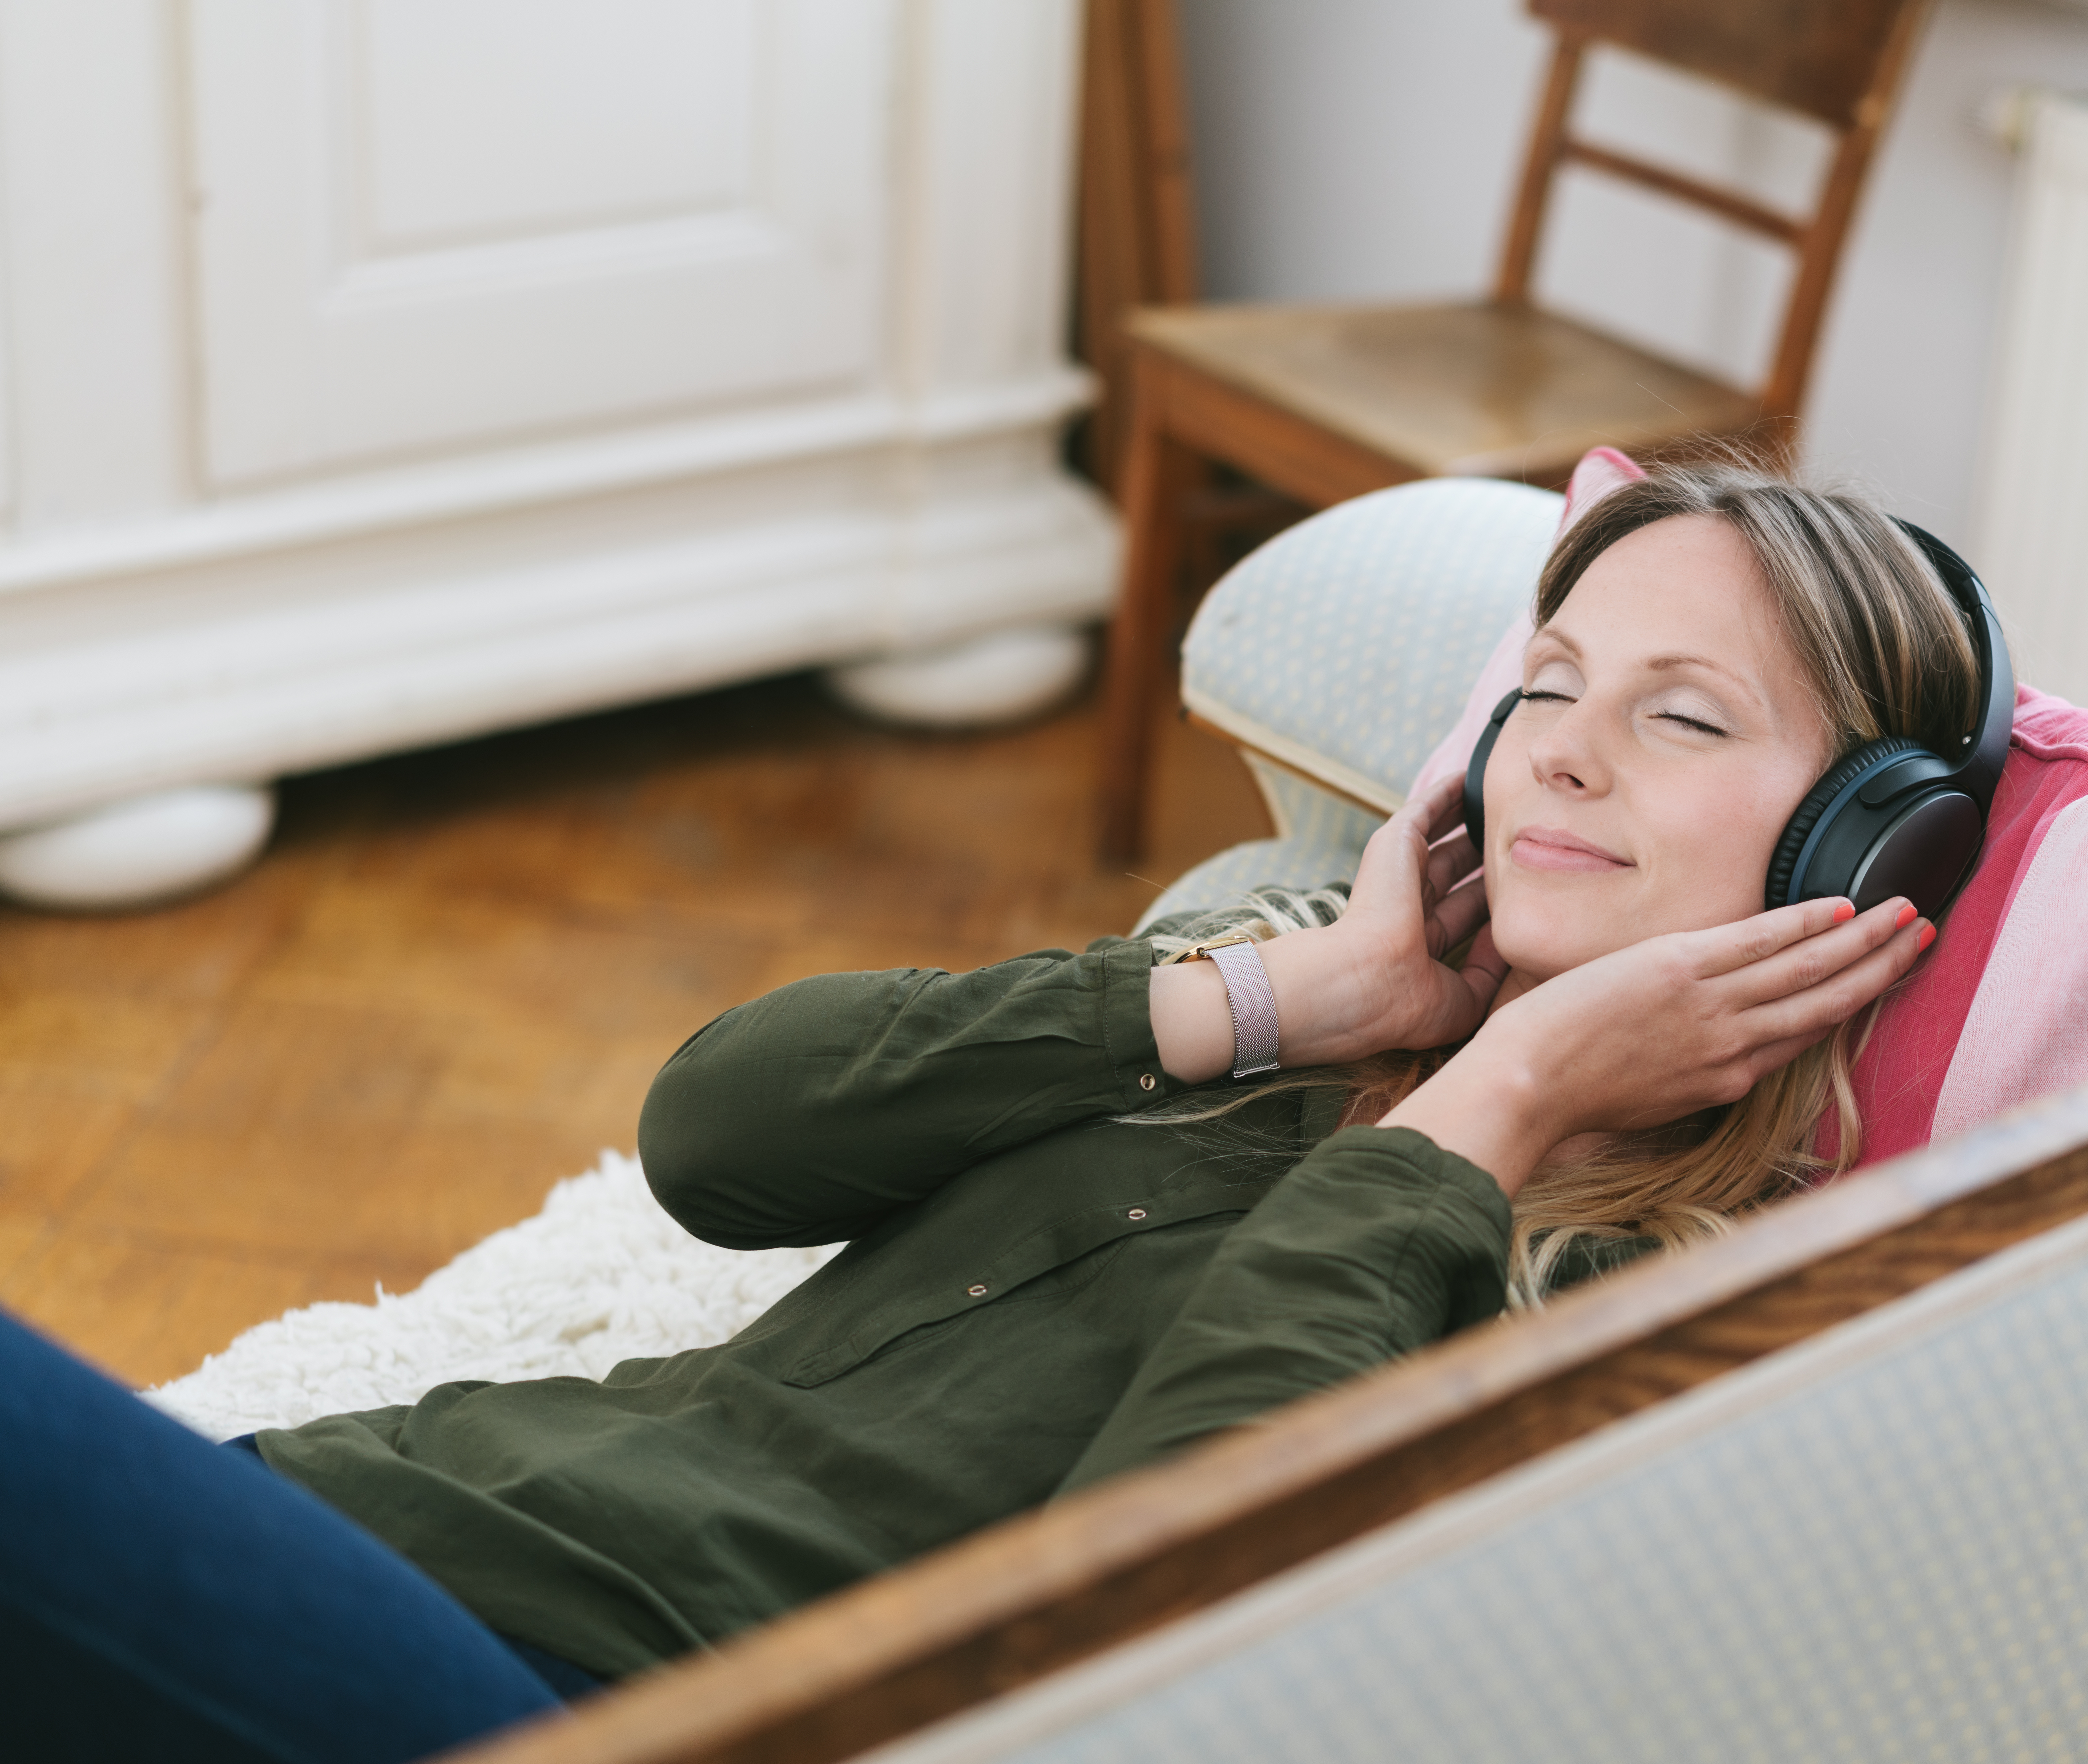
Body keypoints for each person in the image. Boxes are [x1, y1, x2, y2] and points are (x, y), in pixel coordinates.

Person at [1, 461, 1973, 1761]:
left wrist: (1505, 1099)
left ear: (1857, 842)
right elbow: (716, 1138)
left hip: (614, 1690)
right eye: (1547, 683)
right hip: (390, 1511)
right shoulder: (1291, 998)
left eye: (1682, 713)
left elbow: (1155, 1636)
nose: (1564, 756)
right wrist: (1294, 997)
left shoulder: (1648, 1301)